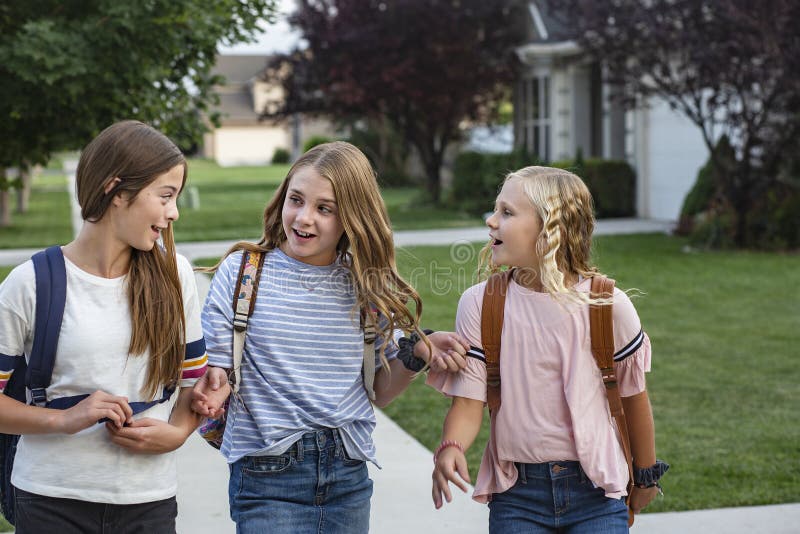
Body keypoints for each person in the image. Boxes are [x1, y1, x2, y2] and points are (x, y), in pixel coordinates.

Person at [191, 141, 469, 534]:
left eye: (325, 209)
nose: (304, 218)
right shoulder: (243, 274)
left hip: (348, 474)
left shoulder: (364, 285)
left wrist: (417, 352)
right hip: (268, 475)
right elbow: (215, 369)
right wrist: (214, 387)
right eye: (296, 200)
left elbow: (380, 391)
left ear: (351, 218)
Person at [428, 166, 667, 533]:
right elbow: (468, 401)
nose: (491, 221)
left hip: (597, 494)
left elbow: (634, 399)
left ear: (551, 230)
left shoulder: (607, 305)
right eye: (496, 209)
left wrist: (646, 476)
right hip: (517, 496)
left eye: (507, 212)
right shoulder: (482, 304)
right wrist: (452, 445)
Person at [0, 120, 208, 533]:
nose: (175, 212)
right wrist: (64, 419)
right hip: (49, 500)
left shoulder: (175, 275)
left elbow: (192, 384)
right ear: (117, 190)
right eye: (165, 196)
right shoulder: (30, 283)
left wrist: (179, 432)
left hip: (148, 501)